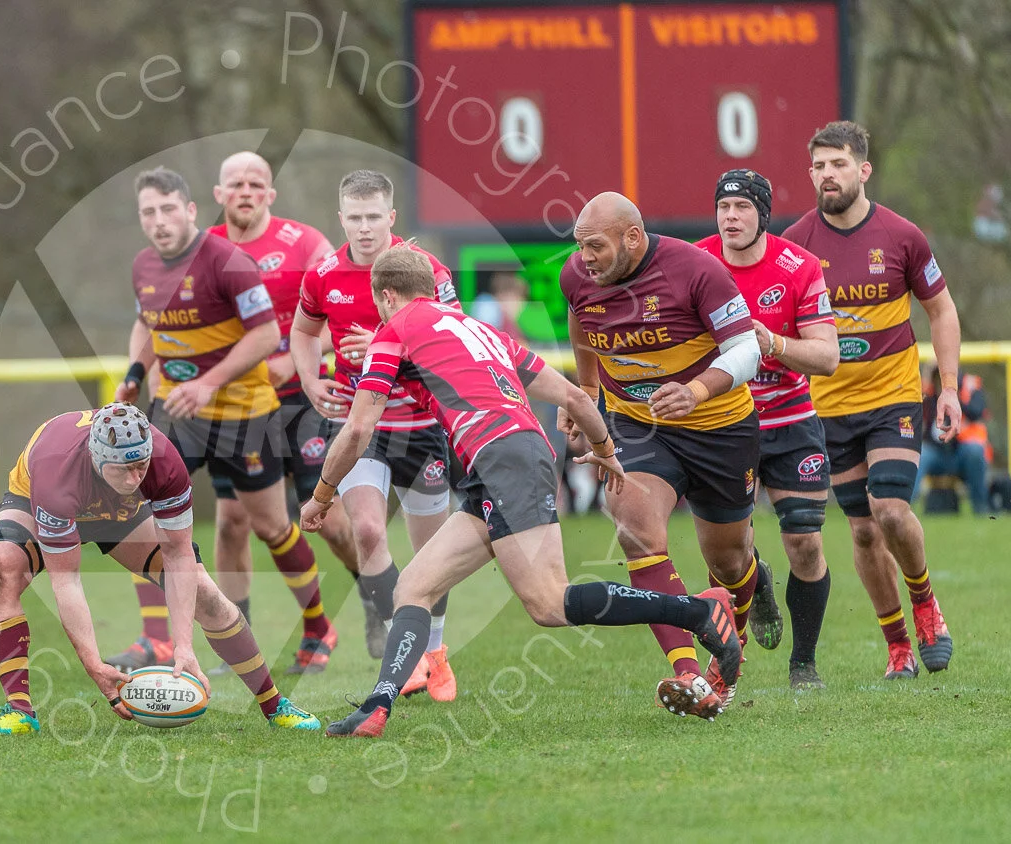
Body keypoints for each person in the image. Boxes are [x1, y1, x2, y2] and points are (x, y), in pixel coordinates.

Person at [310, 245, 742, 737]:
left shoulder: (394, 331)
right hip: (509, 456)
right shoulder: (482, 330)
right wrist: (605, 447)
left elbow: (358, 429)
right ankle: (376, 708)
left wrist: (322, 496)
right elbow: (575, 395)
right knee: (415, 586)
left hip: (500, 458)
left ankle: (698, 610)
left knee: (548, 603)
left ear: (386, 296)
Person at [0, 403, 321, 735]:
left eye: (141, 466)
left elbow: (178, 555)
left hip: (120, 511)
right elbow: (67, 580)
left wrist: (183, 646)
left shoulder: (164, 461)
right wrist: (94, 665)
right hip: (37, 499)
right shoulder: (56, 473)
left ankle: (276, 706)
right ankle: (19, 711)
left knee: (206, 594)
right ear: (97, 457)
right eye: (124, 468)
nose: (136, 477)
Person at [110, 167, 336, 673]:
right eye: (149, 211)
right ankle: (158, 639)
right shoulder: (144, 266)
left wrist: (208, 383)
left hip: (244, 415)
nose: (160, 220)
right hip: (176, 412)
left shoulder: (227, 261)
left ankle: (319, 627)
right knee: (134, 511)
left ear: (192, 210)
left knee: (273, 526)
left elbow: (262, 336)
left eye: (169, 209)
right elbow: (147, 325)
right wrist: (133, 373)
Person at [559, 192, 773, 710]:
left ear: (633, 237)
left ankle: (739, 619)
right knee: (634, 528)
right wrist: (587, 393)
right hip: (639, 426)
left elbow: (747, 349)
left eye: (595, 246)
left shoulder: (696, 270)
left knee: (727, 560)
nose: (585, 257)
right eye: (580, 246)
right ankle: (692, 675)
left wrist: (696, 391)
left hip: (720, 428)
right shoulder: (578, 275)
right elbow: (581, 321)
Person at [784, 121, 959, 678]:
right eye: (818, 166)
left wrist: (949, 388)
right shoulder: (794, 245)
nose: (826, 175)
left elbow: (942, 311)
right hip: (828, 408)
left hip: (893, 397)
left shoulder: (903, 236)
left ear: (863, 169)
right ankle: (898, 646)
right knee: (861, 529)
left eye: (837, 164)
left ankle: (926, 602)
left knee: (890, 510)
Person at [198, 151, 377, 670]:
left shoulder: (303, 244)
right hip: (236, 408)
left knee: (334, 522)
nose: (246, 191)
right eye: (236, 184)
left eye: (257, 183)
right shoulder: (204, 251)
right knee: (232, 522)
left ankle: (374, 599)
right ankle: (240, 637)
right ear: (220, 195)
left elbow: (333, 325)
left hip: (299, 400)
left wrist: (290, 365)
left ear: (270, 194)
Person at [291, 169, 461, 701]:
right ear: (341, 219)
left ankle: (435, 652)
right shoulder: (322, 275)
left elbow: (454, 341)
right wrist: (309, 381)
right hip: (360, 426)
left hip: (422, 425)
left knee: (432, 553)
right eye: (354, 218)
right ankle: (401, 651)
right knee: (366, 530)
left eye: (374, 217)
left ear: (391, 218)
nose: (364, 228)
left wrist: (389, 344)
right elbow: (302, 330)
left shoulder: (427, 270)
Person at [695, 171, 840, 689]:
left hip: (790, 421)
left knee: (804, 542)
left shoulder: (797, 266)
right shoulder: (696, 262)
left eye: (742, 206)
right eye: (723, 206)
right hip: (724, 424)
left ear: (763, 214)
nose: (730, 216)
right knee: (729, 550)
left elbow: (827, 356)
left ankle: (804, 663)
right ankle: (745, 608)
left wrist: (771, 343)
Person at [915, 367, 991, 514]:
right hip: (936, 452)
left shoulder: (970, 386)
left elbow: (977, 411)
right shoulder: (928, 392)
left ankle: (981, 508)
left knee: (975, 450)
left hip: (962, 451)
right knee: (920, 455)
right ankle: (903, 510)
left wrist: (952, 398)